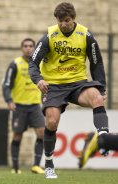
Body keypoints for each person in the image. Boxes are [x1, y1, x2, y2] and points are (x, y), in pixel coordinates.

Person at [28, 2, 109, 179]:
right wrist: (39, 80)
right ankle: (49, 164)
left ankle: (103, 140)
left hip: (77, 83)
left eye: (66, 20)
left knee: (97, 97)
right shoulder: (49, 36)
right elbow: (33, 63)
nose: (63, 24)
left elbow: (97, 62)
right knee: (51, 122)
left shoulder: (85, 35)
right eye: (60, 21)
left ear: (73, 19)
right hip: (54, 86)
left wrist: (101, 86)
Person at [2, 38, 45, 174]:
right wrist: (9, 100)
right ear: (22, 48)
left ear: (34, 48)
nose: (28, 48)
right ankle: (15, 168)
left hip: (35, 106)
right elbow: (6, 84)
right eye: (25, 46)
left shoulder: (40, 64)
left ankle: (36, 166)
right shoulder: (15, 64)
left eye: (31, 46)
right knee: (17, 136)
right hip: (19, 106)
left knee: (42, 133)